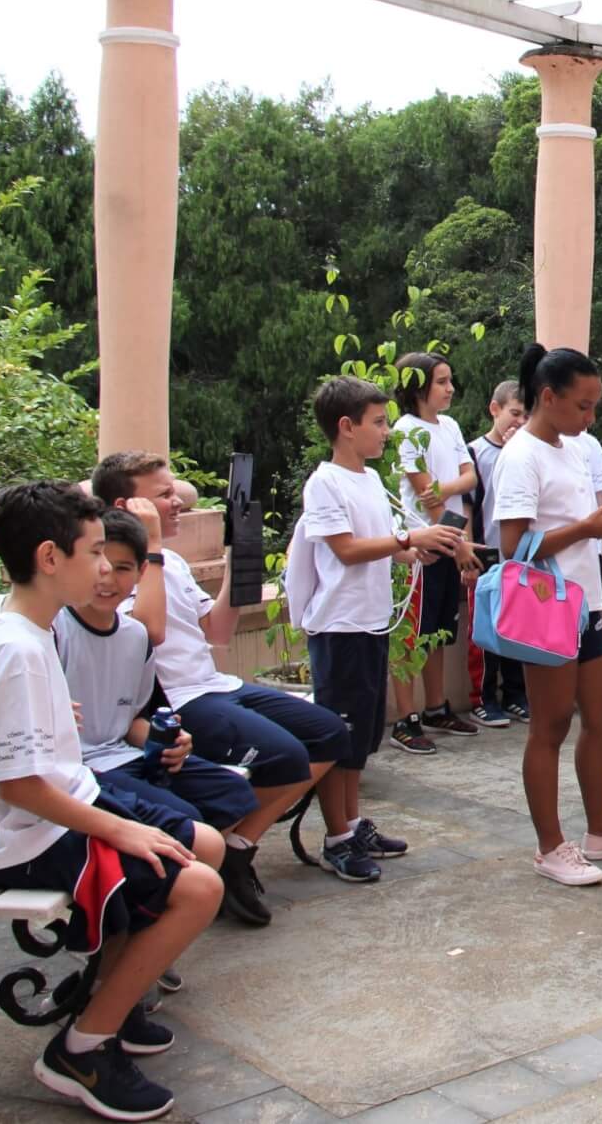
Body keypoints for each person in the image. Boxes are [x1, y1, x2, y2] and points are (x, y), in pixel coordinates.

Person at [0, 483, 223, 1122]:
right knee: (198, 888)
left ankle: (108, 1001)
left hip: (53, 806)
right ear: (50, 557)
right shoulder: (16, 647)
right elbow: (19, 787)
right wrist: (120, 832)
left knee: (201, 844)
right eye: (96, 552)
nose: (107, 570)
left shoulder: (16, 622)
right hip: (19, 837)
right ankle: (82, 1048)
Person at [94, 450, 348, 927]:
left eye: (174, 492)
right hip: (179, 700)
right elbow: (146, 636)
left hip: (216, 683)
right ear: (128, 506)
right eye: (164, 495)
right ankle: (222, 854)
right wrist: (145, 544)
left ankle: (237, 847)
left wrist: (239, 558)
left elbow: (217, 630)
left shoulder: (169, 560)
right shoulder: (112, 570)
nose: (178, 503)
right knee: (287, 756)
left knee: (330, 730)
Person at [291, 376, 464, 881]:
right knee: (338, 736)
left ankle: (352, 821)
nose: (386, 432)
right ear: (346, 428)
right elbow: (344, 549)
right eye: (378, 422)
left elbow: (381, 543)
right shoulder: (326, 481)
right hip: (338, 628)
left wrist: (414, 548)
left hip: (368, 623)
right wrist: (407, 536)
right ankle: (337, 836)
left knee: (362, 736)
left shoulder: (367, 479)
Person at [496, 344, 602, 886]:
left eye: (594, 406)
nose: (590, 418)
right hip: (544, 608)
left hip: (587, 602)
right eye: (582, 406)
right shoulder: (521, 456)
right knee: (551, 724)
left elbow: (571, 524)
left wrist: (601, 522)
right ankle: (549, 846)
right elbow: (512, 548)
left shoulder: (571, 448)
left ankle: (601, 830)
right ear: (547, 397)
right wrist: (588, 528)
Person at [57, 507, 260, 855]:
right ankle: (179, 886)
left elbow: (133, 718)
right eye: (99, 564)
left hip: (124, 755)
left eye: (122, 569)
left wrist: (168, 741)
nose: (107, 578)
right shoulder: (55, 629)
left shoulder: (135, 638)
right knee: (187, 820)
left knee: (235, 794)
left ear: (141, 573)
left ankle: (202, 874)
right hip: (80, 771)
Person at [388, 351, 481, 754]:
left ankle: (434, 706)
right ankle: (405, 718)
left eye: (449, 380)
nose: (450, 389)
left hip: (449, 539)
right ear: (419, 387)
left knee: (440, 631)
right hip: (422, 545)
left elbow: (469, 476)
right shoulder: (406, 430)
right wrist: (457, 542)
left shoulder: (451, 426)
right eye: (441, 382)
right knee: (412, 633)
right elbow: (426, 498)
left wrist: (446, 489)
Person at [468, 380, 530, 726]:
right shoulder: (475, 453)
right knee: (486, 629)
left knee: (517, 628)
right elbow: (469, 506)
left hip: (519, 557)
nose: (519, 422)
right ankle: (482, 696)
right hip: (487, 554)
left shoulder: (527, 451)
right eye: (514, 413)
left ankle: (516, 693)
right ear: (495, 409)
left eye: (525, 415)